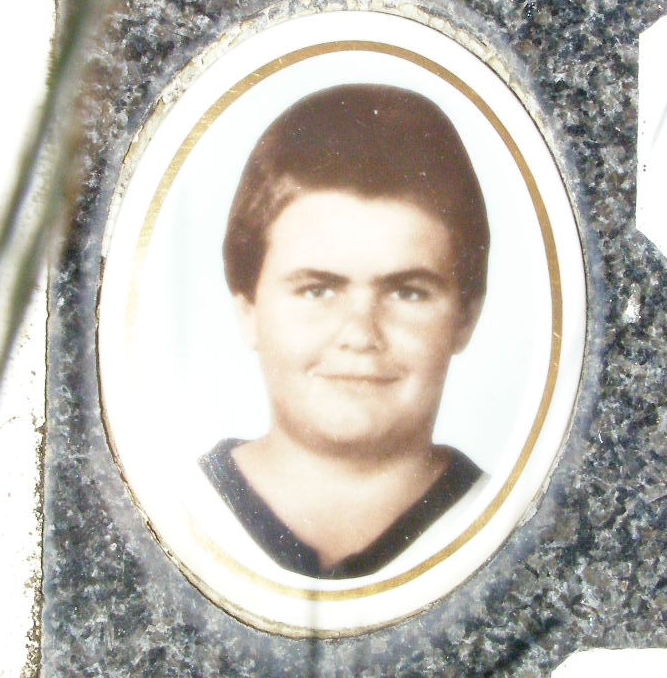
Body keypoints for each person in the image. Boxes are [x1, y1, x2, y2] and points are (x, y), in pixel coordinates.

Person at [199, 82, 490, 579]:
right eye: (317, 290)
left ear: (465, 318)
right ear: (247, 308)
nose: (359, 335)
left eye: (407, 292)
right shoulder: (184, 509)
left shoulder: (509, 523)